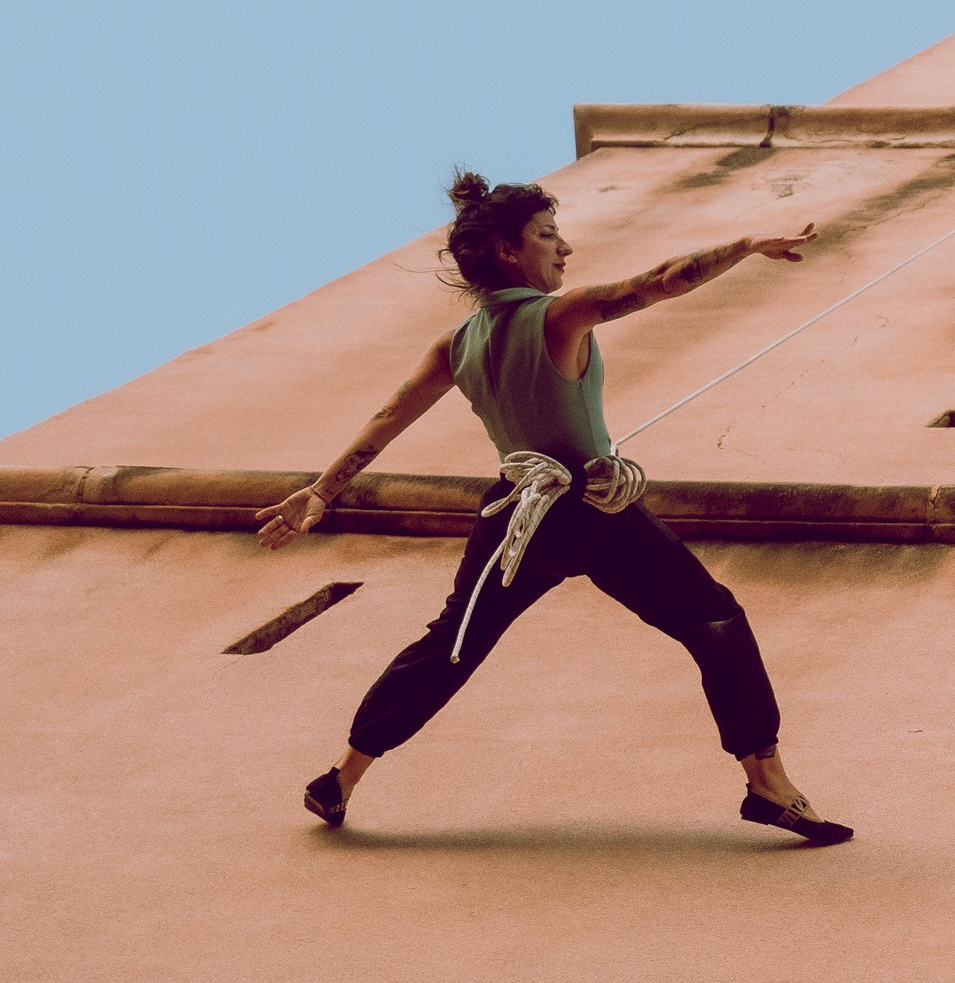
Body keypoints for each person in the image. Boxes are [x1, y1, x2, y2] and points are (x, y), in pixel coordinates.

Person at [257, 171, 852, 844]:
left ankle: (342, 777)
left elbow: (390, 415)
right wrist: (744, 245)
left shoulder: (455, 345)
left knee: (454, 642)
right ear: (510, 252)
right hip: (590, 510)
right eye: (547, 235)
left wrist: (322, 491)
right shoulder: (557, 316)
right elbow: (654, 283)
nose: (563, 248)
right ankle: (766, 782)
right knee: (714, 618)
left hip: (516, 513)